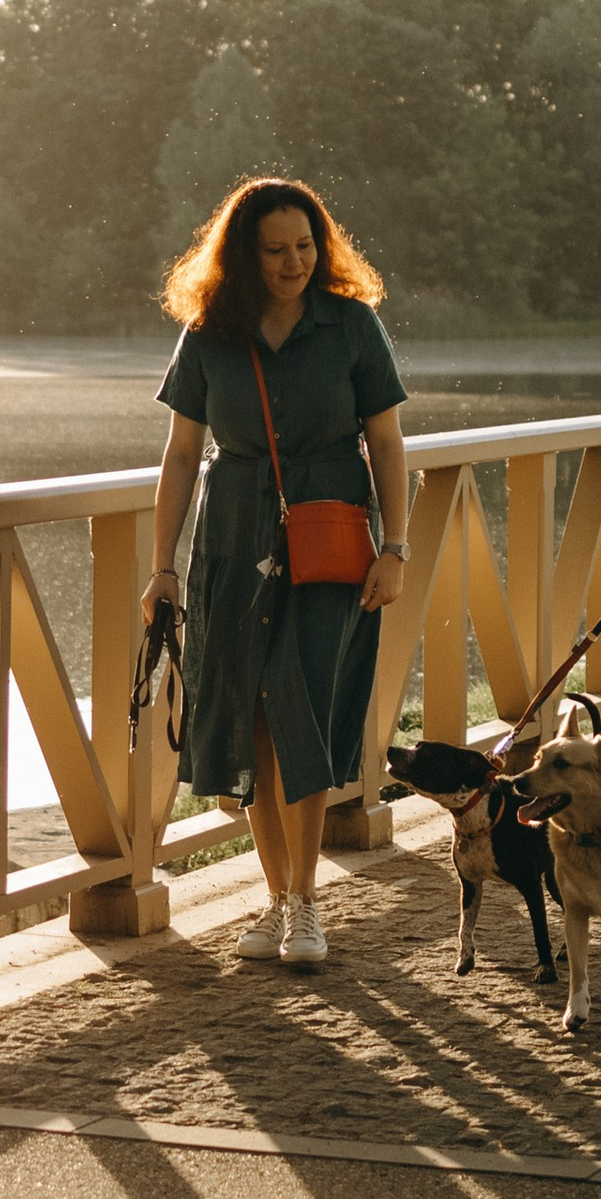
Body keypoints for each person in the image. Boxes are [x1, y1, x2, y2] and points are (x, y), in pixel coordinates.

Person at [146, 178, 408, 967]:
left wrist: (395, 547)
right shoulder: (209, 333)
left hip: (328, 538)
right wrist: (163, 566)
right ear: (242, 255)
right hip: (231, 536)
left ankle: (306, 905)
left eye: (306, 245)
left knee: (304, 708)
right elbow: (183, 456)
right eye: (276, 249)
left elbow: (389, 443)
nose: (295, 261)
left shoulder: (353, 325)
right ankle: (277, 899)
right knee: (250, 715)